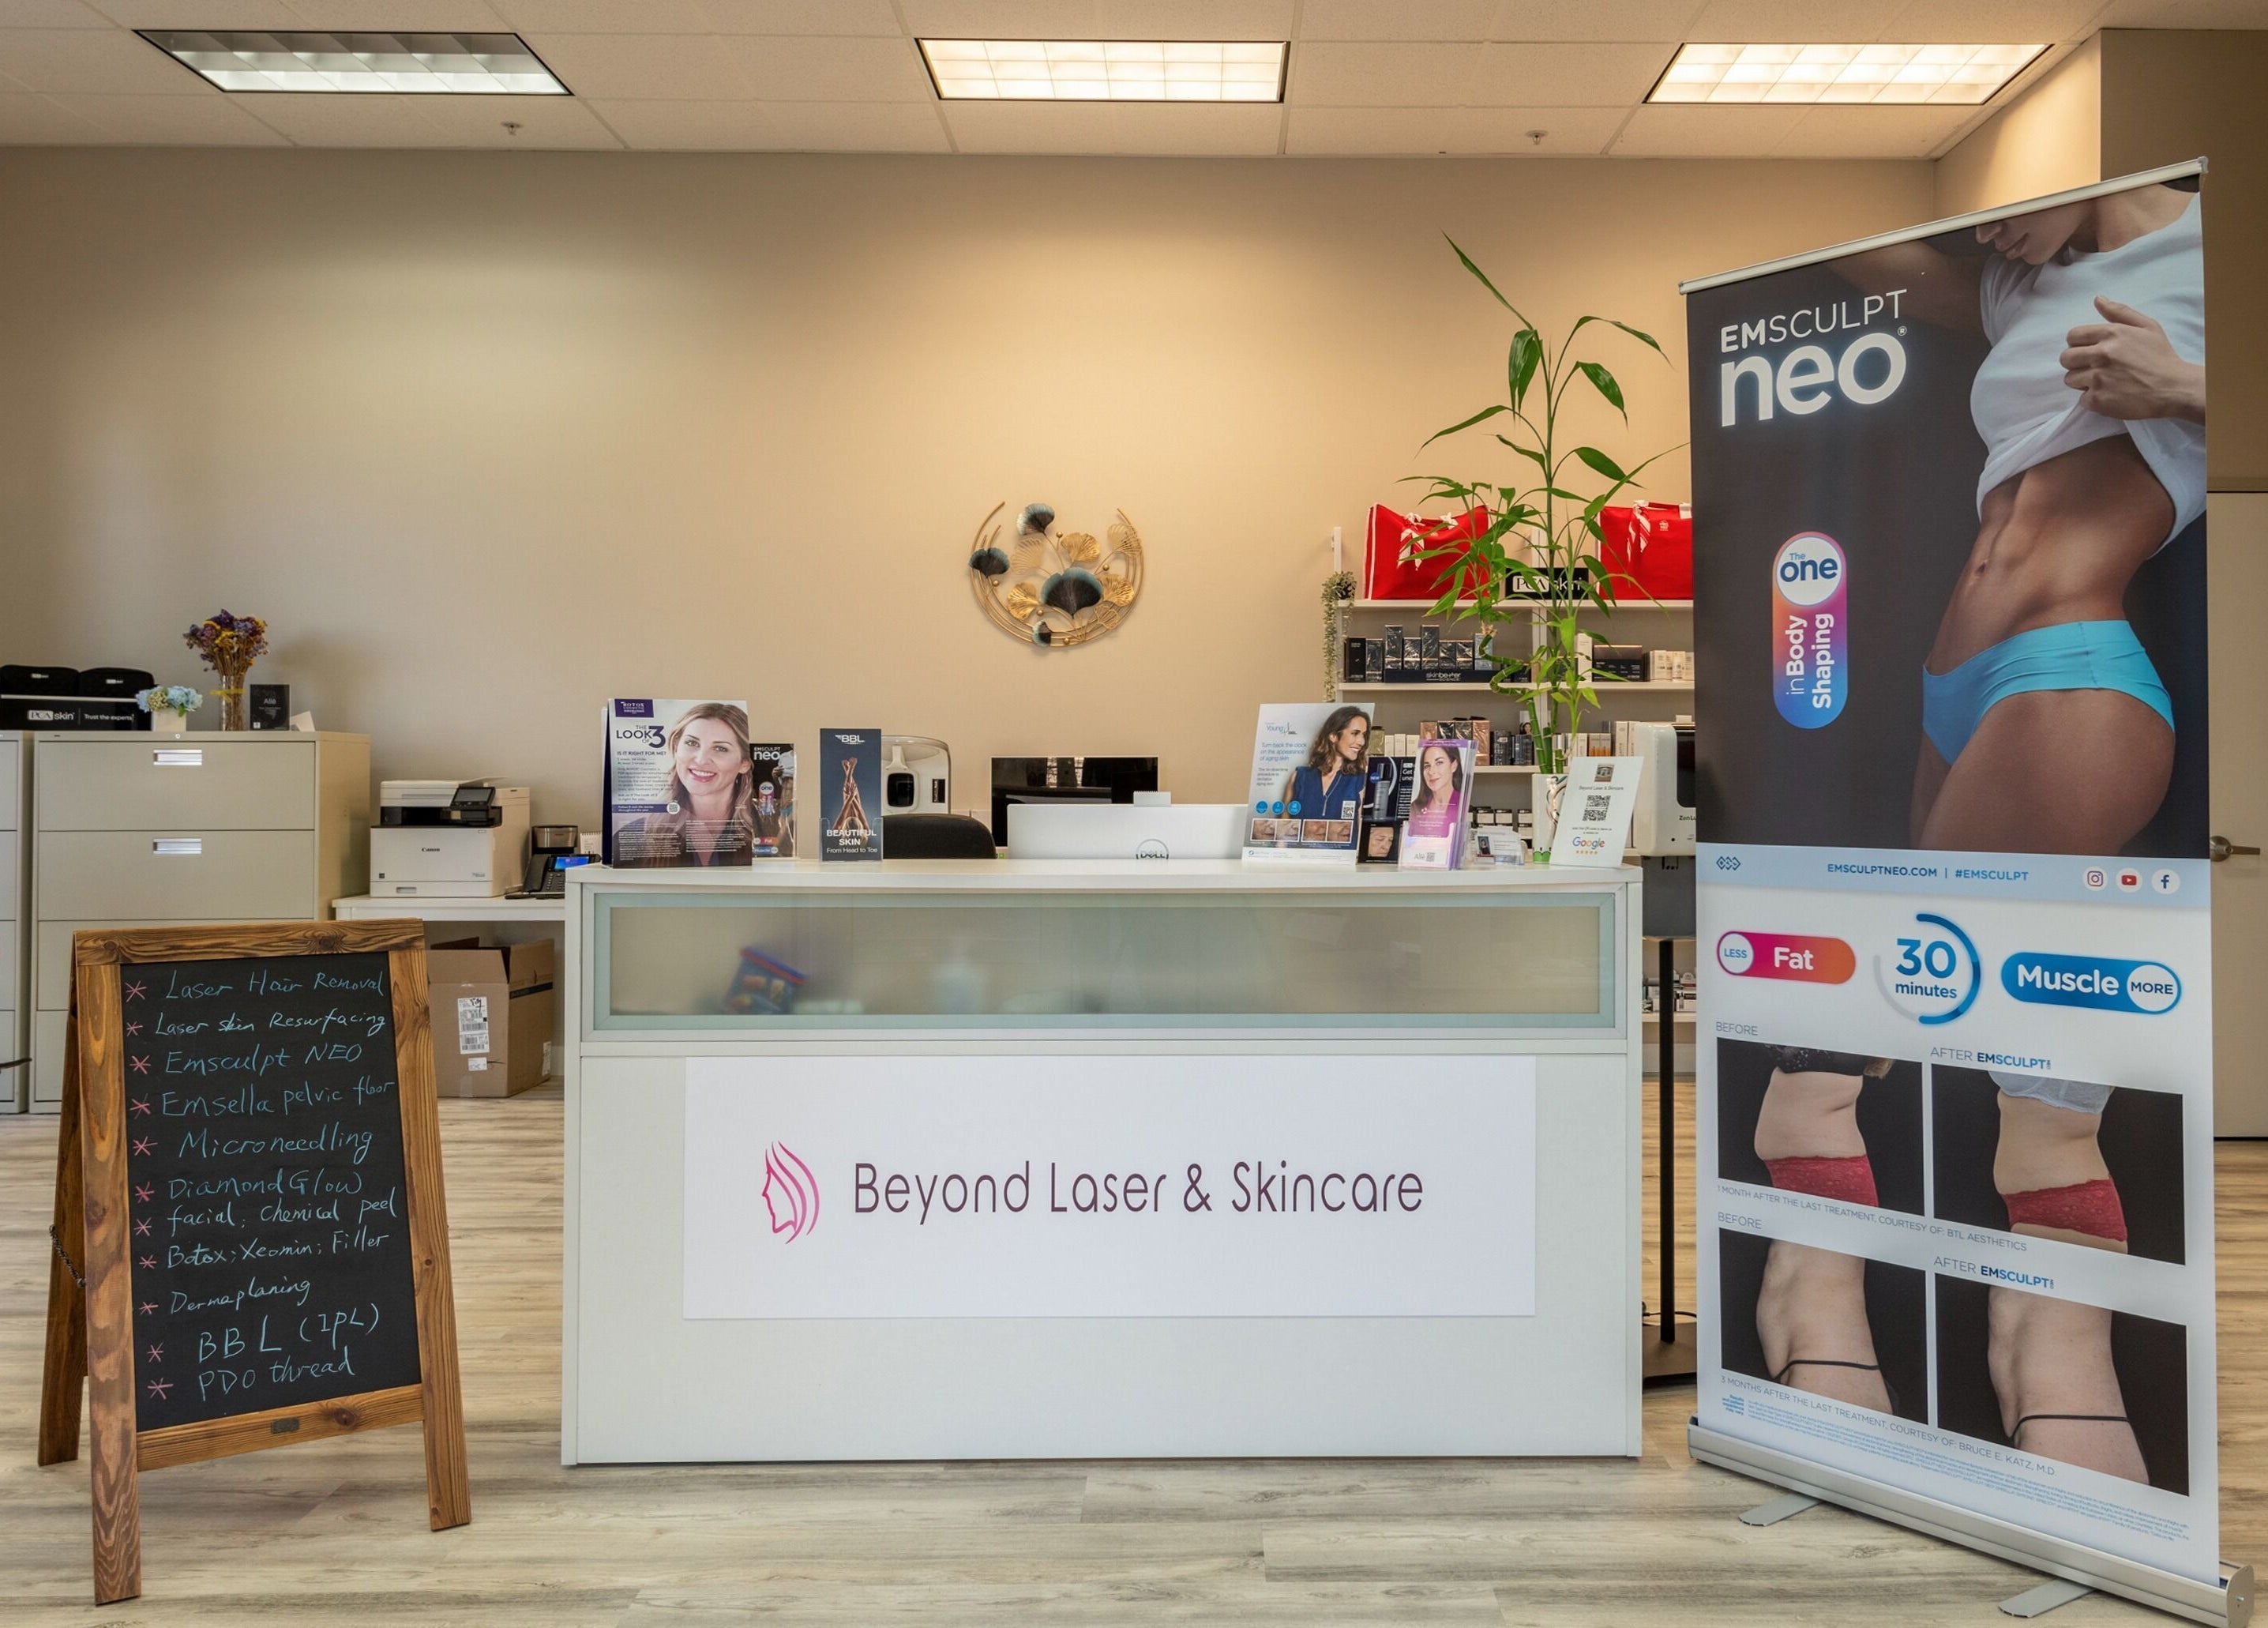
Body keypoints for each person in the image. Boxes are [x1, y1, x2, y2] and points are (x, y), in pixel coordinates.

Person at [1834, 179, 2204, 854]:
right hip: (1954, 678)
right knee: (1938, 945)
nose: (1986, 233)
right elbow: (1899, 275)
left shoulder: (2222, 242)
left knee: (1948, 937)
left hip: (2067, 674)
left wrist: (2182, 386)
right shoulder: (2022, 283)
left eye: (2000, 209)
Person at [615, 701, 757, 867]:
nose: (701, 760)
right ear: (676, 747)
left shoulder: (762, 836)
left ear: (744, 763)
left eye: (720, 749)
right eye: (692, 743)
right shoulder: (634, 836)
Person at [1282, 705, 1370, 827]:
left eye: (1364, 735)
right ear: (1333, 736)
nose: (1362, 742)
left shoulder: (1361, 782)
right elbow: (1282, 831)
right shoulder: (1299, 777)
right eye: (1355, 733)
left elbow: (1362, 833)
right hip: (1301, 845)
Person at [1405, 741, 1466, 840]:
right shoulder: (1416, 807)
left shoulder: (1462, 804)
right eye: (1427, 766)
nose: (1431, 772)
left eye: (1439, 763)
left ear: (1454, 765)